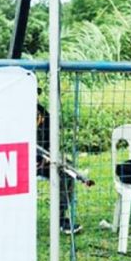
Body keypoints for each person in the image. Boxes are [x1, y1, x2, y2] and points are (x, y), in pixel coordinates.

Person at [36, 98, 81, 235]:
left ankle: (60, 219)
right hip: (16, 162)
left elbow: (50, 144)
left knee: (67, 171)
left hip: (41, 161)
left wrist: (47, 159)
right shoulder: (12, 115)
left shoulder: (46, 116)